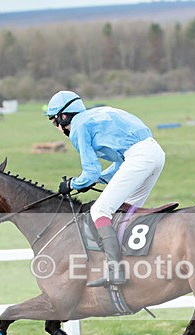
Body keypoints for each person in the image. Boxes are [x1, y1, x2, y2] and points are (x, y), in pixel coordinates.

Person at [46, 90, 166, 287]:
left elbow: (90, 172)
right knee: (126, 210)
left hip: (139, 158)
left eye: (54, 122)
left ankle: (115, 270)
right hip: (155, 153)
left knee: (100, 210)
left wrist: (72, 184)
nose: (57, 128)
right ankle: (133, 261)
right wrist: (98, 180)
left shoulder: (78, 127)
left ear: (63, 116)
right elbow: (119, 164)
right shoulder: (98, 113)